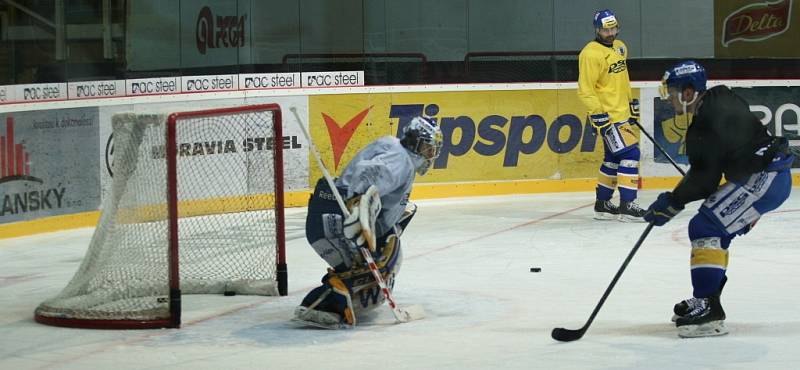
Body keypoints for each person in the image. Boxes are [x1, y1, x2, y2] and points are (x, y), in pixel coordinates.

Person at [644, 61, 794, 338]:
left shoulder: (705, 122)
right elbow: (712, 168)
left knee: (705, 227)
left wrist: (672, 202)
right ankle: (708, 299)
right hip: (767, 178)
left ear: (689, 93)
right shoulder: (720, 97)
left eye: (673, 92)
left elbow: (704, 180)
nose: (668, 98)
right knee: (714, 229)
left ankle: (707, 307)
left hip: (762, 180)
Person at [293, 116, 443, 329]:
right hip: (334, 216)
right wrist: (358, 206)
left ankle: (338, 300)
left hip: (336, 211)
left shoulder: (397, 151)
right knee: (364, 269)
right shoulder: (400, 161)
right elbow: (366, 177)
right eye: (428, 147)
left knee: (382, 259)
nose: (431, 155)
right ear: (415, 142)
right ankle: (319, 306)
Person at [577, 9, 646, 222]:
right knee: (631, 155)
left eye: (613, 28)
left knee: (613, 159)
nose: (610, 33)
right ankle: (628, 205)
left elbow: (623, 79)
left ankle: (603, 204)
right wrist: (598, 116)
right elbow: (585, 89)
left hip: (622, 114)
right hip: (608, 117)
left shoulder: (620, 47)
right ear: (597, 30)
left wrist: (631, 103)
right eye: (606, 30)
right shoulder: (590, 54)